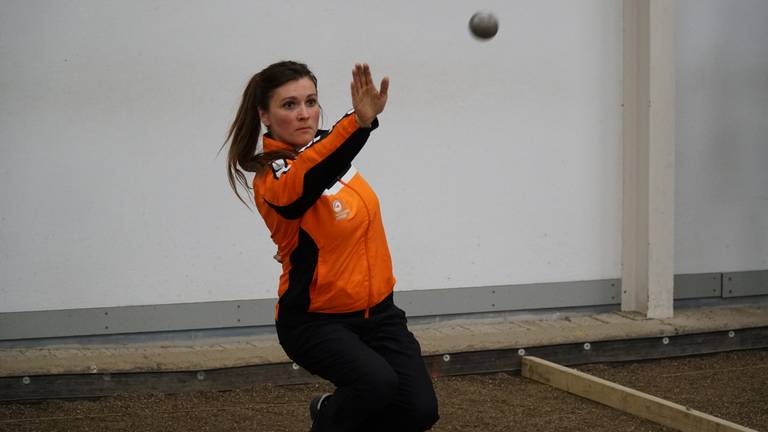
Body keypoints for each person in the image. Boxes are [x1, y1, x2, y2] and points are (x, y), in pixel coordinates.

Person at [223, 60, 439, 432]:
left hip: (379, 313)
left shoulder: (329, 150)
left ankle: (337, 415)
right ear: (265, 115)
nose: (304, 114)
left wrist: (358, 124)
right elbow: (308, 177)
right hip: (315, 320)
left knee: (418, 410)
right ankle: (328, 417)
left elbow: (327, 157)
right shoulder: (273, 178)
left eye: (311, 101)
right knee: (376, 384)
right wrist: (356, 123)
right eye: (289, 105)